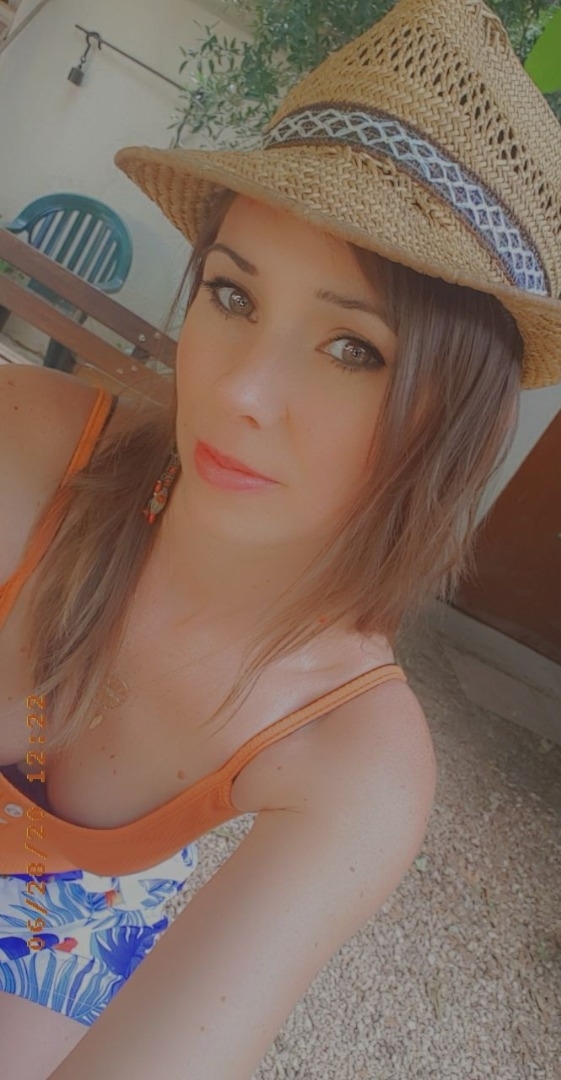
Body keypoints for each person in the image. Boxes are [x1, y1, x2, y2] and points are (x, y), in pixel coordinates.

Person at [1, 0, 560, 1076]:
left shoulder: (350, 755)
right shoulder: (31, 447)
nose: (242, 392)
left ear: (449, 420)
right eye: (231, 293)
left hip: (67, 925)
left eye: (354, 349)